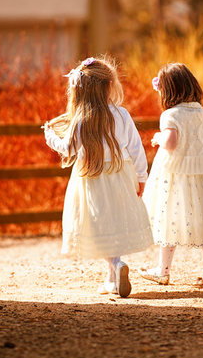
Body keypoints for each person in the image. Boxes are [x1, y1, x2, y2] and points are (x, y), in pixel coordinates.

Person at [43, 56, 153, 298]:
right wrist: (141, 177)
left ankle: (115, 265)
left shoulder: (81, 120)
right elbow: (136, 148)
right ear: (108, 86)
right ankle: (112, 277)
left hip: (91, 177)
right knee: (114, 221)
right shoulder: (122, 114)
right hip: (120, 174)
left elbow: (68, 149)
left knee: (99, 224)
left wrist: (49, 135)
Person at [139, 63, 203, 287]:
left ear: (169, 91)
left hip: (174, 177)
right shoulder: (202, 113)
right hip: (202, 176)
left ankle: (163, 271)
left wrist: (157, 137)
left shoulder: (170, 114)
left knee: (168, 219)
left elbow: (171, 142)